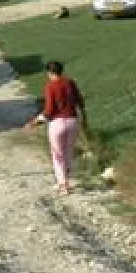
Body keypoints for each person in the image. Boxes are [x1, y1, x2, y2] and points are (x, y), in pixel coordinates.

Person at [26, 61, 85, 195]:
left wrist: (35, 121)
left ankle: (62, 184)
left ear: (49, 73)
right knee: (69, 152)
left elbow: (49, 111)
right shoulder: (70, 82)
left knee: (57, 154)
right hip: (72, 121)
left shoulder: (50, 86)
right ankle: (67, 181)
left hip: (57, 124)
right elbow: (80, 100)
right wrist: (84, 118)